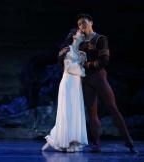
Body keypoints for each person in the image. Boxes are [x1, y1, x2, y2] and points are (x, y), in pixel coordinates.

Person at [59, 14, 138, 153]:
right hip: (86, 80)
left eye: (84, 23)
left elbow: (104, 61)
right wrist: (66, 51)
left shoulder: (100, 39)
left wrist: (85, 64)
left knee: (113, 108)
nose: (82, 26)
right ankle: (97, 143)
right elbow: (70, 52)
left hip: (99, 78)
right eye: (79, 24)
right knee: (91, 113)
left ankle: (128, 141)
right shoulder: (80, 41)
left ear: (91, 23)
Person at [42, 29, 88, 152]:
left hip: (76, 85)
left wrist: (82, 69)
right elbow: (69, 68)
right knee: (67, 112)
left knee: (75, 112)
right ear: (74, 36)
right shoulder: (67, 49)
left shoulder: (82, 53)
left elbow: (81, 67)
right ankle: (57, 139)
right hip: (68, 83)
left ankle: (72, 141)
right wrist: (82, 71)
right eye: (80, 32)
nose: (82, 34)